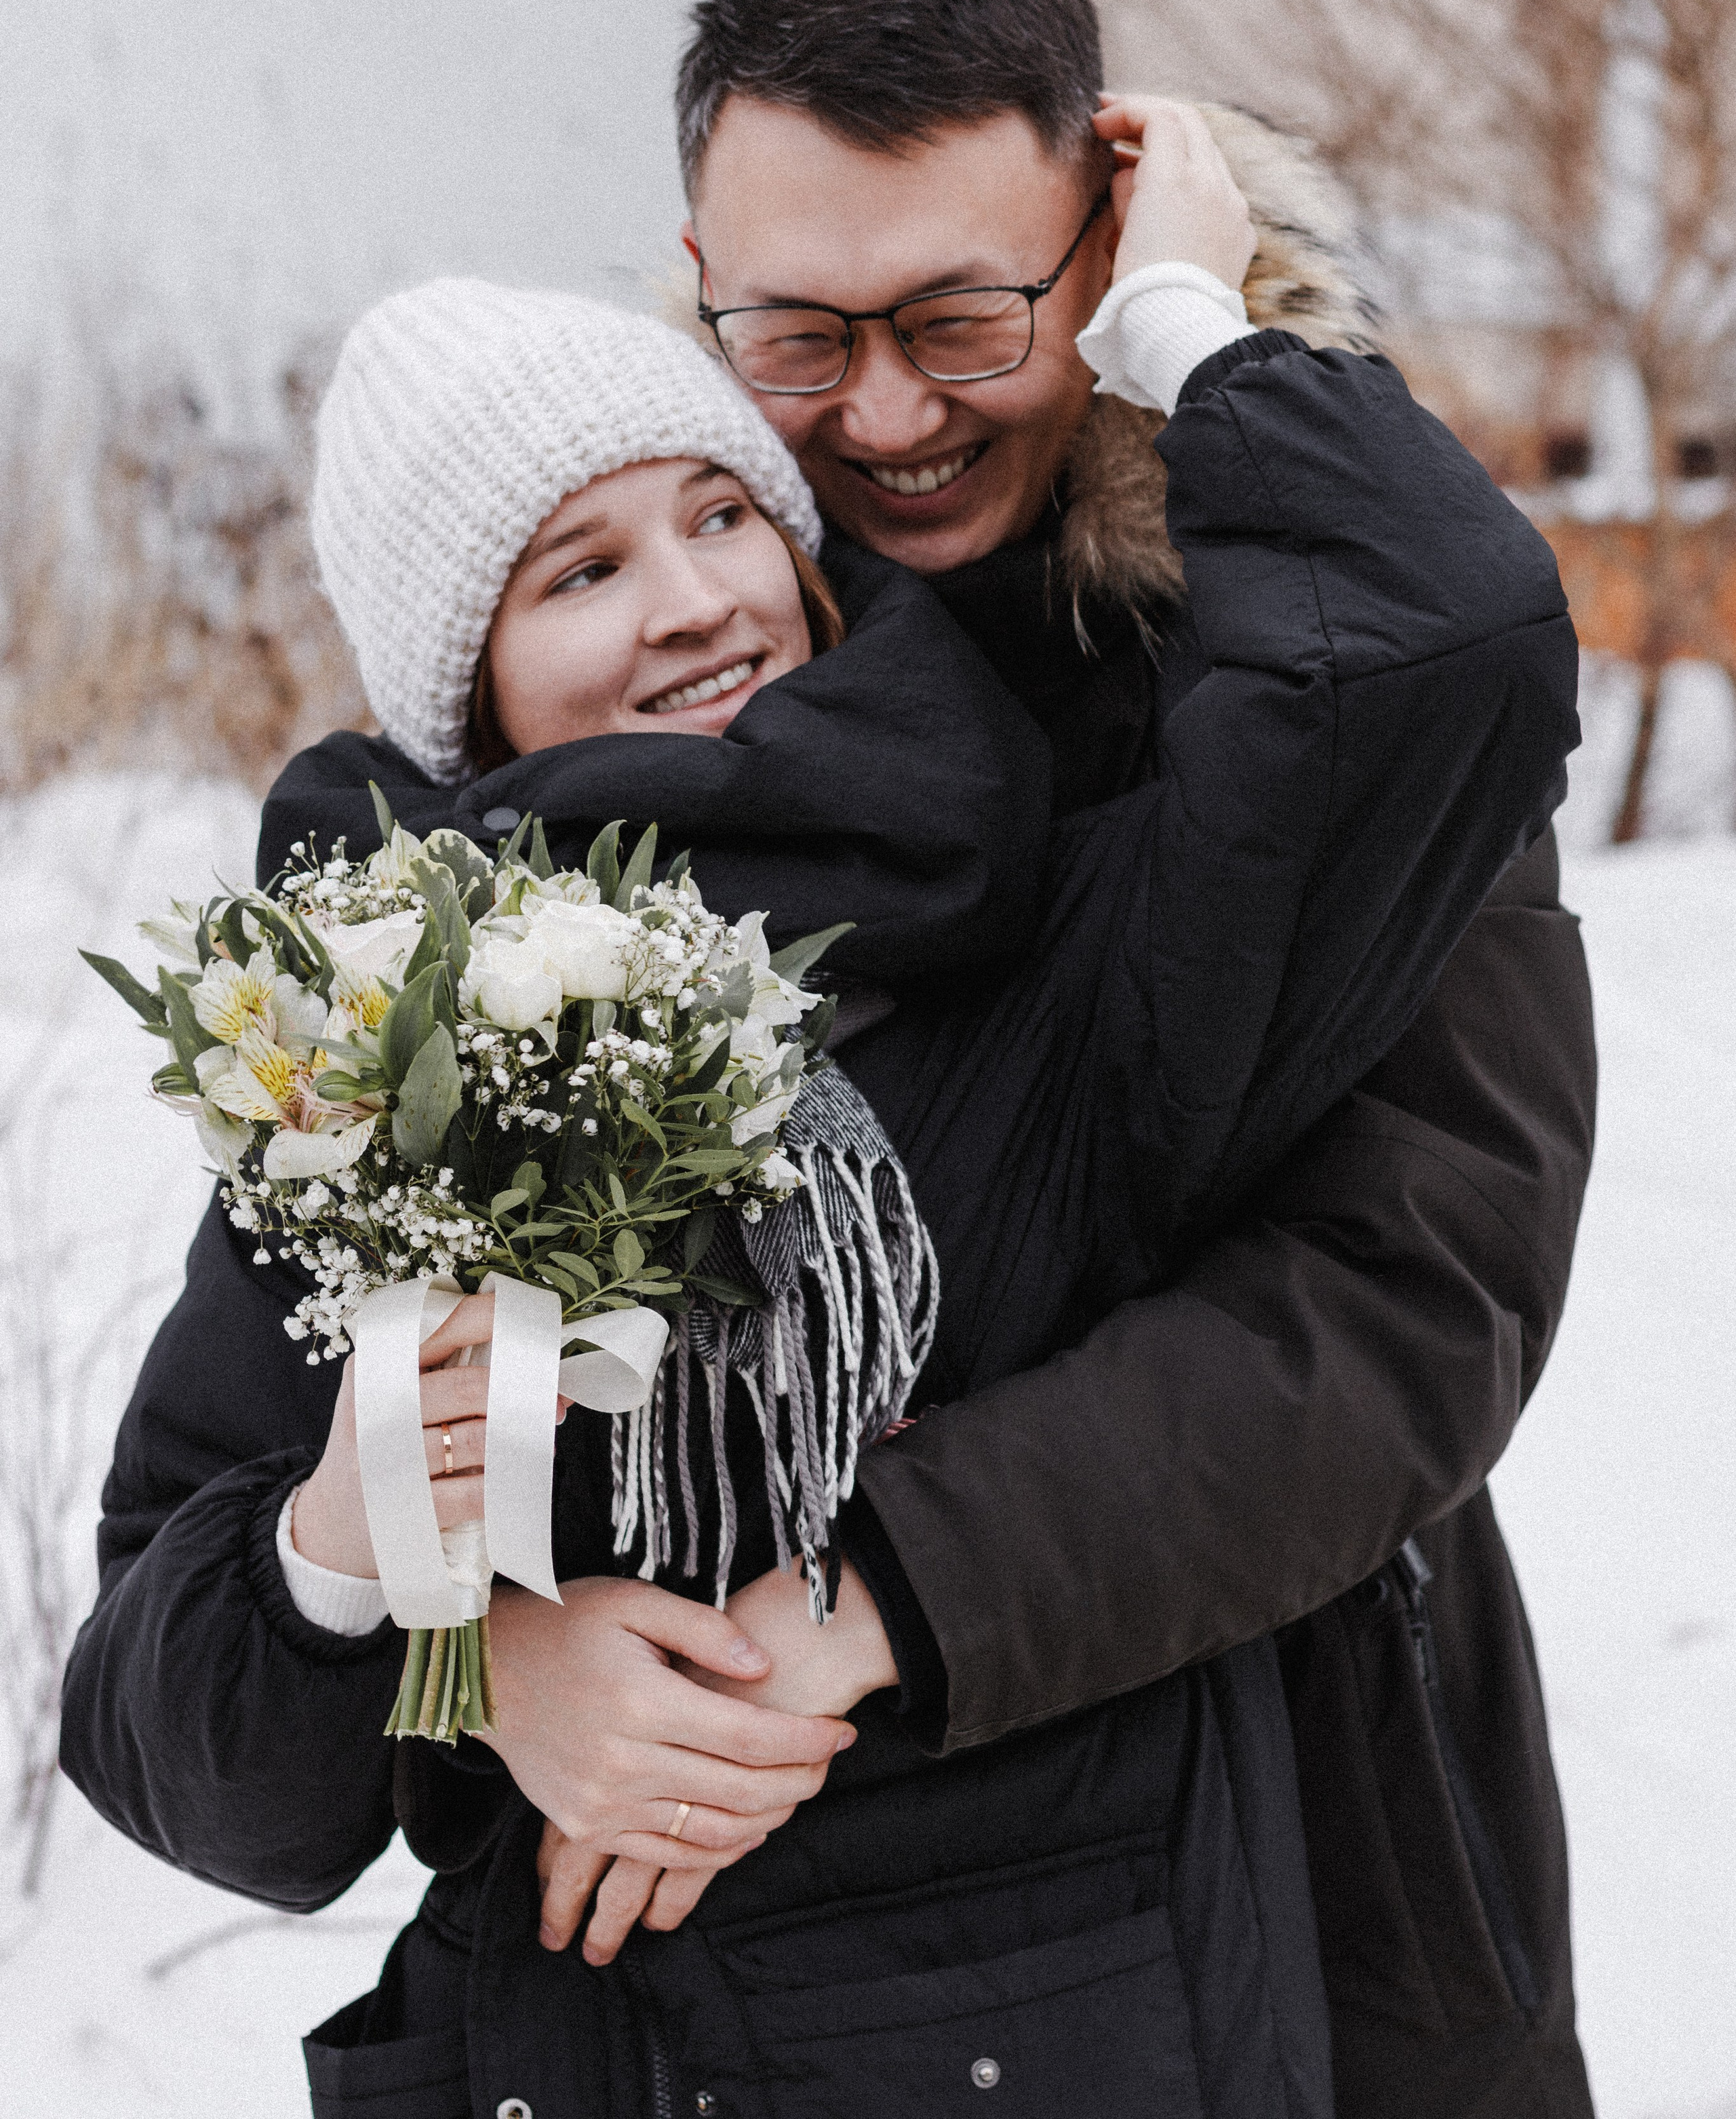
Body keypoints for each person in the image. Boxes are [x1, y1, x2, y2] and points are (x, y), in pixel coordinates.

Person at [60, 226, 1575, 2119]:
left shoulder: (1064, 891)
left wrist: (1184, 293)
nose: (693, 601)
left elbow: (1443, 665)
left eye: (725, 518)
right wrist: (414, 1601)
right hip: (624, 2046)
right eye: (582, 571)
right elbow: (168, 1732)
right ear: (471, 692)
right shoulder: (380, 1064)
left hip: (1090, 2013)